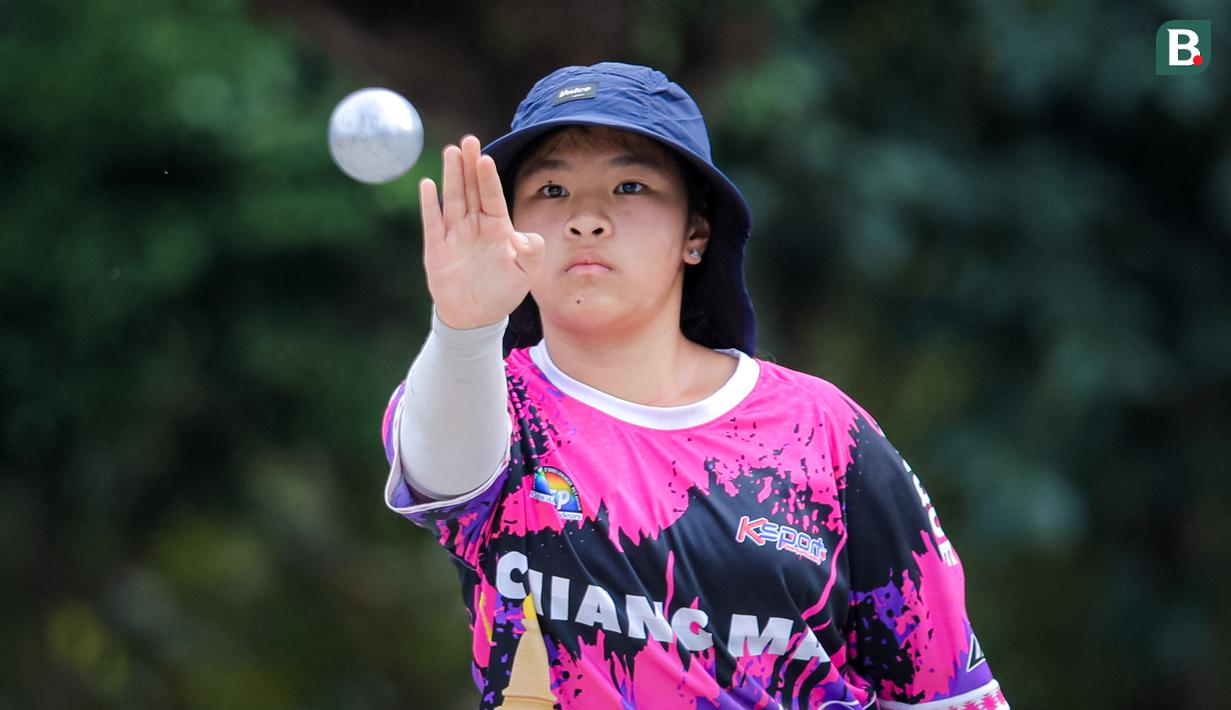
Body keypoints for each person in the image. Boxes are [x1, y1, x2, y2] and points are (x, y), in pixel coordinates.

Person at [380, 62, 1008, 709]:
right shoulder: (492, 405)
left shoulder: (823, 431)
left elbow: (947, 692)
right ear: (513, 225)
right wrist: (463, 326)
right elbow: (441, 469)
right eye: (551, 189)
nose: (586, 219)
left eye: (629, 185)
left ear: (696, 233)